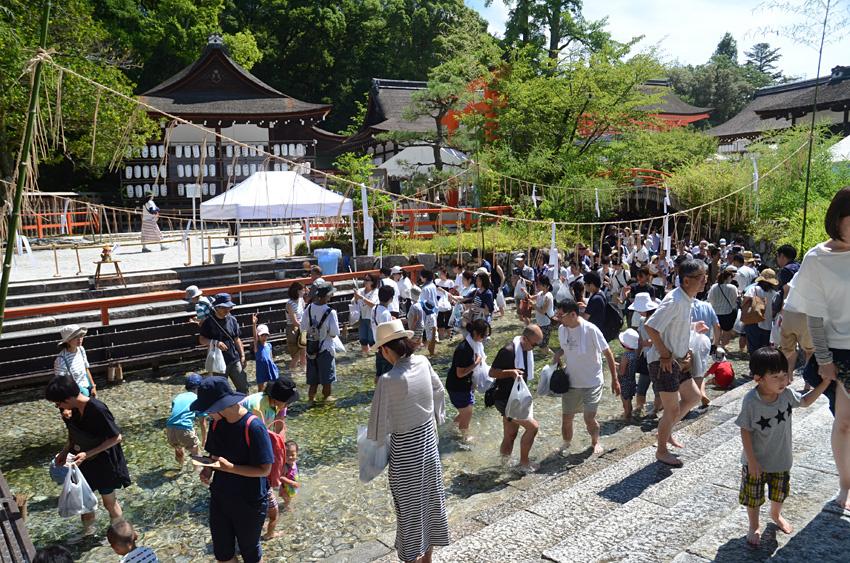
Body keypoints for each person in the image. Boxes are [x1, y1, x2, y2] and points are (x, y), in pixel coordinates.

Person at [785, 186, 850, 509]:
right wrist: (823, 359)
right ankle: (844, 487)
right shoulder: (816, 258)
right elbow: (813, 314)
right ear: (837, 220)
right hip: (838, 350)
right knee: (844, 422)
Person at [367, 320, 449, 563]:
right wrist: (431, 418)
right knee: (431, 504)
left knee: (410, 515)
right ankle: (427, 561)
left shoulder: (387, 379)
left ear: (384, 349)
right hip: (429, 448)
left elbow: (377, 427)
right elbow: (439, 391)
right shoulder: (423, 362)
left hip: (406, 457)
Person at [736, 347, 834, 546]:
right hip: (755, 462)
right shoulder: (751, 402)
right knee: (753, 497)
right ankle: (753, 525)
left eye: (784, 374)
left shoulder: (786, 395)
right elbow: (745, 430)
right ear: (758, 378)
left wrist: (824, 384)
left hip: (781, 459)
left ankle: (775, 514)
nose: (783, 381)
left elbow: (805, 401)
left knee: (779, 493)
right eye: (775, 376)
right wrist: (752, 460)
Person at [192, 377, 273, 563]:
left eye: (207, 410)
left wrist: (231, 469)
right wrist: (208, 470)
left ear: (220, 406)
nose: (205, 415)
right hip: (220, 497)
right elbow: (213, 453)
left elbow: (265, 470)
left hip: (249, 501)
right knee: (223, 553)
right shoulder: (217, 423)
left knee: (251, 553)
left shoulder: (253, 427)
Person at [46, 375, 131, 535]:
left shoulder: (98, 409)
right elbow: (75, 434)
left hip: (105, 462)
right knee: (84, 503)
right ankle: (89, 534)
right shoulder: (74, 410)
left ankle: (118, 535)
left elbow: (116, 437)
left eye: (58, 403)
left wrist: (88, 453)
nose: (59, 407)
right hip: (85, 462)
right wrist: (66, 451)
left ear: (69, 398)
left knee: (109, 503)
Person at [644, 259, 709, 466]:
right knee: (671, 410)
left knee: (693, 396)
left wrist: (693, 326)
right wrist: (664, 354)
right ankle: (661, 450)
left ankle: (666, 431)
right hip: (664, 362)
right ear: (687, 280)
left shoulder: (686, 298)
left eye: (705, 277)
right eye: (701, 278)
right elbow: (651, 326)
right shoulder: (674, 300)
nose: (705, 282)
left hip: (679, 361)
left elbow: (673, 324)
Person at [553, 300, 620, 454]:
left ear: (573, 314)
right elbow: (566, 349)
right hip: (571, 382)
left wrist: (615, 381)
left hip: (592, 382)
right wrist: (558, 354)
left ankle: (595, 442)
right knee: (566, 419)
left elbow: (608, 353)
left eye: (561, 315)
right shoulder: (563, 330)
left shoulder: (591, 330)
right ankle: (566, 445)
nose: (558, 319)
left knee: (589, 418)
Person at [489, 325, 542, 471]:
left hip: (515, 398)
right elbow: (492, 372)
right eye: (534, 344)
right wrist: (510, 372)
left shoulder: (526, 350)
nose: (535, 348)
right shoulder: (508, 351)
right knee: (533, 427)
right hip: (504, 399)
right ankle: (524, 462)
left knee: (510, 435)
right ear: (524, 338)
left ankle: (504, 466)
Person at [446, 319, 490, 442]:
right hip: (457, 386)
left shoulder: (474, 345)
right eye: (484, 335)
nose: (485, 338)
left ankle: (453, 428)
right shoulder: (464, 349)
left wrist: (473, 385)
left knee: (466, 410)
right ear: (475, 333)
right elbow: (460, 374)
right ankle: (464, 437)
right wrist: (477, 362)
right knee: (468, 412)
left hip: (465, 384)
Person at [199, 293, 249, 394]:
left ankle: (243, 408)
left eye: (229, 307)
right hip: (218, 362)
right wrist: (215, 342)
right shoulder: (208, 322)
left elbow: (237, 339)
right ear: (217, 307)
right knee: (221, 391)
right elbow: (202, 340)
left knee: (244, 387)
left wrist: (242, 355)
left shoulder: (232, 320)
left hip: (234, 359)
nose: (227, 310)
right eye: (224, 308)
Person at [300, 280, 340, 403]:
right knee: (327, 381)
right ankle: (326, 401)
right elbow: (334, 334)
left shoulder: (309, 308)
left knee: (313, 381)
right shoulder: (331, 312)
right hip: (325, 349)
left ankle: (310, 400)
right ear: (328, 295)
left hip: (312, 350)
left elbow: (303, 329)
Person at [166, 374, 208, 466]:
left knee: (178, 448)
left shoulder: (178, 397)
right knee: (197, 452)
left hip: (170, 428)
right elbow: (202, 421)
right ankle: (197, 472)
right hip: (184, 429)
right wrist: (204, 438)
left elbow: (175, 413)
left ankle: (181, 466)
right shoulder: (198, 399)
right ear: (199, 387)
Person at [741, 269, 779, 354]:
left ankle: (754, 366)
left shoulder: (753, 289)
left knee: (753, 350)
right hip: (768, 325)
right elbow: (774, 312)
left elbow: (743, 303)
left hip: (753, 323)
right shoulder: (775, 294)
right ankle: (763, 367)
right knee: (765, 352)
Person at [55, 324, 97, 397]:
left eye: (81, 335)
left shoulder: (81, 349)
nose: (80, 339)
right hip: (75, 394)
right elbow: (61, 383)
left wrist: (93, 386)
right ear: (68, 341)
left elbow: (86, 368)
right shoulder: (61, 360)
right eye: (75, 337)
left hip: (88, 388)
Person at [707, 267, 739, 348]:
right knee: (726, 332)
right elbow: (735, 300)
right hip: (728, 312)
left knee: (717, 331)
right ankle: (723, 348)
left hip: (716, 312)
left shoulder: (714, 287)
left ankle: (716, 347)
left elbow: (710, 299)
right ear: (729, 277)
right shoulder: (732, 288)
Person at [524, 275, 554, 353]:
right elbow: (530, 297)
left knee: (543, 346)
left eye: (539, 284)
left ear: (544, 285)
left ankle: (554, 357)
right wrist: (525, 291)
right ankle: (547, 357)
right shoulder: (541, 293)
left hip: (546, 324)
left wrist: (533, 305)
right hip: (540, 323)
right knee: (539, 344)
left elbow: (543, 311)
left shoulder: (548, 297)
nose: (538, 286)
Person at [372, 285, 396, 378]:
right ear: (391, 298)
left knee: (379, 373)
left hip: (377, 344)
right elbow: (387, 333)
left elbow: (372, 325)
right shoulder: (385, 313)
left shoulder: (374, 308)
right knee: (387, 374)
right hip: (385, 347)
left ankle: (377, 391)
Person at [352, 273, 380, 354]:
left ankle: (375, 356)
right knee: (363, 340)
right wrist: (356, 299)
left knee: (372, 340)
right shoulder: (360, 291)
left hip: (371, 318)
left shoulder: (376, 292)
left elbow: (373, 305)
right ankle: (366, 355)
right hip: (362, 317)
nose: (365, 281)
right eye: (364, 279)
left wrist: (362, 298)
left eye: (367, 280)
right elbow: (353, 302)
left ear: (372, 282)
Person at [251, 315, 279, 393]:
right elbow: (254, 337)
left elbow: (271, 357)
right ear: (258, 336)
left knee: (272, 386)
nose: (264, 337)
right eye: (262, 335)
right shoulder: (257, 346)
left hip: (270, 367)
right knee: (260, 388)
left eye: (266, 335)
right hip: (261, 369)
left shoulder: (269, 345)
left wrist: (274, 366)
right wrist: (254, 324)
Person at [617, 329, 640, 419]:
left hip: (624, 383)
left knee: (625, 402)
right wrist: (617, 364)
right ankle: (627, 413)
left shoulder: (625, 357)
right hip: (631, 381)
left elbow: (622, 372)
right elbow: (626, 367)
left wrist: (614, 368)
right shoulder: (634, 354)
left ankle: (626, 419)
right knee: (629, 400)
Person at [285, 282, 307, 372]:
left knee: (303, 352)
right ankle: (293, 372)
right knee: (295, 355)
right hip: (293, 329)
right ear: (297, 291)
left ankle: (304, 369)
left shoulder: (301, 300)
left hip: (302, 328)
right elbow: (294, 321)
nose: (304, 291)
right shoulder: (289, 304)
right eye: (302, 290)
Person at [279, 440, 299, 512]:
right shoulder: (285, 467)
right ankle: (285, 507)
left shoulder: (294, 463)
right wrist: (291, 482)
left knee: (293, 498)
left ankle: (286, 505)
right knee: (287, 500)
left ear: (297, 454)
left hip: (292, 487)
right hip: (285, 488)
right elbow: (281, 478)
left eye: (292, 455)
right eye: (287, 455)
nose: (290, 457)